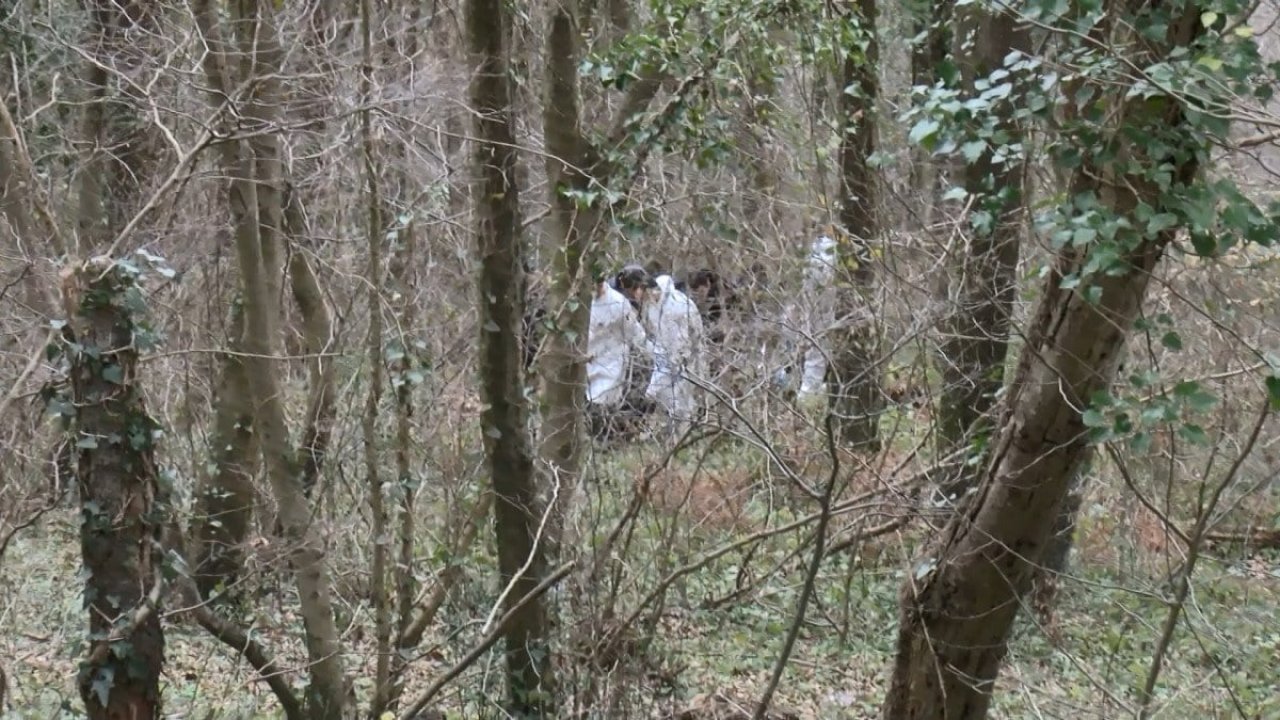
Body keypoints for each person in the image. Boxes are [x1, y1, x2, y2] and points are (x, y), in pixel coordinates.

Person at [586, 268, 654, 441]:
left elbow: (635, 333)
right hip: (588, 358)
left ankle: (604, 441)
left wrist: (652, 354)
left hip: (611, 361)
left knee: (601, 401)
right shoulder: (583, 301)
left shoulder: (618, 303)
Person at [643, 274, 706, 428]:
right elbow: (657, 335)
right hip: (667, 358)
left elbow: (684, 340)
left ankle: (685, 430)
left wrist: (677, 362)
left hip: (687, 358)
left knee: (683, 399)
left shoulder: (678, 306)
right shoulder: (652, 307)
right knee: (664, 396)